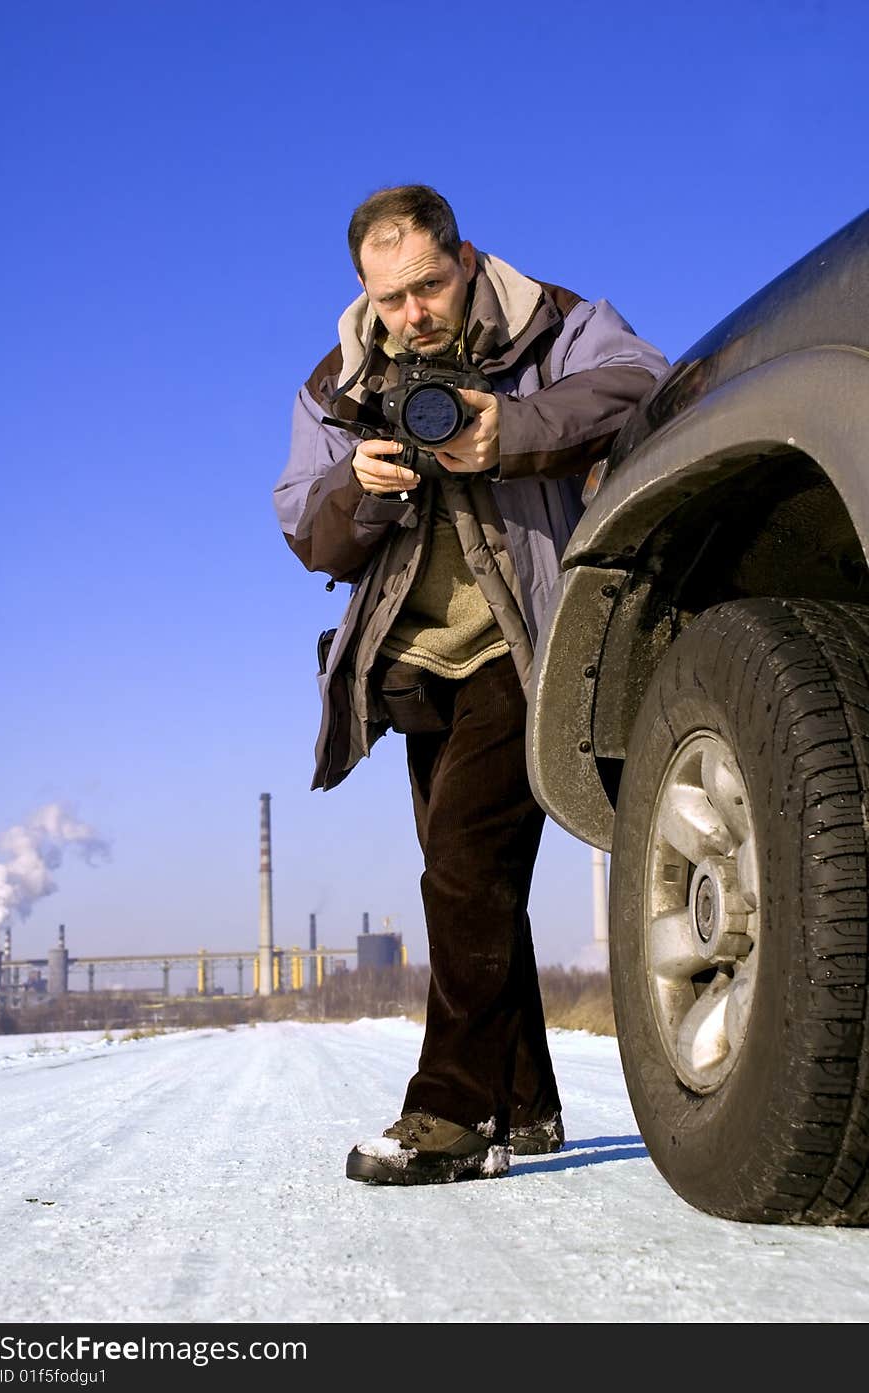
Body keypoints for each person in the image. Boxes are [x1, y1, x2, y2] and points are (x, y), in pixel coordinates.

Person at [273, 185, 668, 1186]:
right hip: (415, 669)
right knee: (477, 890)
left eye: (430, 287)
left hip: (523, 644)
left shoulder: (552, 322)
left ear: (463, 259)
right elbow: (298, 525)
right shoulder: (336, 383)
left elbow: (646, 385)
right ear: (363, 293)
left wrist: (515, 431)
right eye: (391, 298)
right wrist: (355, 489)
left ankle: (449, 1112)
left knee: (459, 871)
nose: (414, 315)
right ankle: (527, 1109)